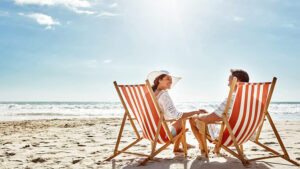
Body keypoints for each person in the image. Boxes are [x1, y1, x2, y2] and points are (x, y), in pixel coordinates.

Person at [189, 69, 250, 154]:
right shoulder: (254, 100)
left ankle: (203, 150)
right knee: (224, 121)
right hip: (245, 135)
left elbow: (209, 119)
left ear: (237, 81)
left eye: (229, 81)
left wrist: (197, 116)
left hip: (230, 137)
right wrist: (210, 114)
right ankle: (216, 150)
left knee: (192, 119)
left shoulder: (232, 99)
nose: (228, 84)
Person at [147, 70, 202, 152]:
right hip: (161, 135)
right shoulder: (163, 94)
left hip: (149, 132)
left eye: (171, 79)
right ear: (159, 80)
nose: (171, 81)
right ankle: (176, 148)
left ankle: (184, 144)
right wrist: (195, 112)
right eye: (168, 79)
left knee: (179, 119)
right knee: (180, 120)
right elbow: (176, 115)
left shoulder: (149, 94)